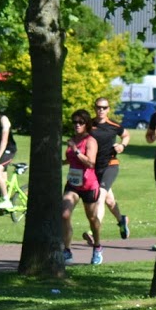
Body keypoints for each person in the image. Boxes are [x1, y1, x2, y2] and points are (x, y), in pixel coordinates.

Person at [60, 110, 102, 265]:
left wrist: (76, 150)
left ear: (87, 124)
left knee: (92, 218)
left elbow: (90, 163)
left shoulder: (90, 141)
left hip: (89, 185)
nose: (77, 125)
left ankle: (97, 246)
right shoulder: (72, 140)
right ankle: (67, 250)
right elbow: (70, 159)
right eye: (74, 122)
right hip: (73, 184)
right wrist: (60, 161)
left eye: (80, 122)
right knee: (64, 214)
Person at [89, 96, 131, 241]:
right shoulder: (89, 125)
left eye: (104, 108)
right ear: (94, 108)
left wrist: (122, 145)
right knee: (109, 200)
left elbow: (126, 135)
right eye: (98, 107)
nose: (101, 110)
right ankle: (121, 220)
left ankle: (93, 232)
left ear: (108, 109)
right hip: (95, 167)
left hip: (110, 165)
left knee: (100, 197)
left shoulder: (113, 125)